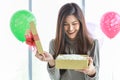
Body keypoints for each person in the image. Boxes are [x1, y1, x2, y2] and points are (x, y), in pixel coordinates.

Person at [35, 2, 100, 80]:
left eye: (74, 23)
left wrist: (91, 72)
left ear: (81, 23)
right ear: (60, 25)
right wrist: (51, 61)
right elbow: (55, 79)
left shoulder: (92, 44)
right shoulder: (54, 44)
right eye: (65, 24)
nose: (70, 28)